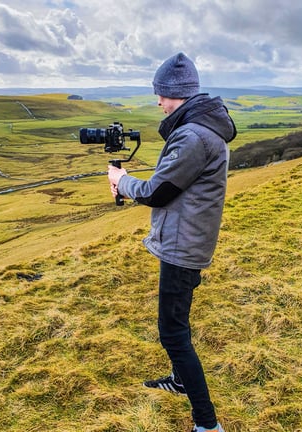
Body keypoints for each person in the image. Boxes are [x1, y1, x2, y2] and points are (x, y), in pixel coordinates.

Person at [108, 52, 236, 432]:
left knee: (173, 331)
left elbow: (157, 191)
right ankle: (180, 381)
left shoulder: (194, 134)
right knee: (177, 324)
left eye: (160, 95)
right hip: (187, 239)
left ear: (174, 93)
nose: (158, 103)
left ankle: (207, 424)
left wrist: (121, 182)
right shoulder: (197, 127)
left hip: (183, 247)